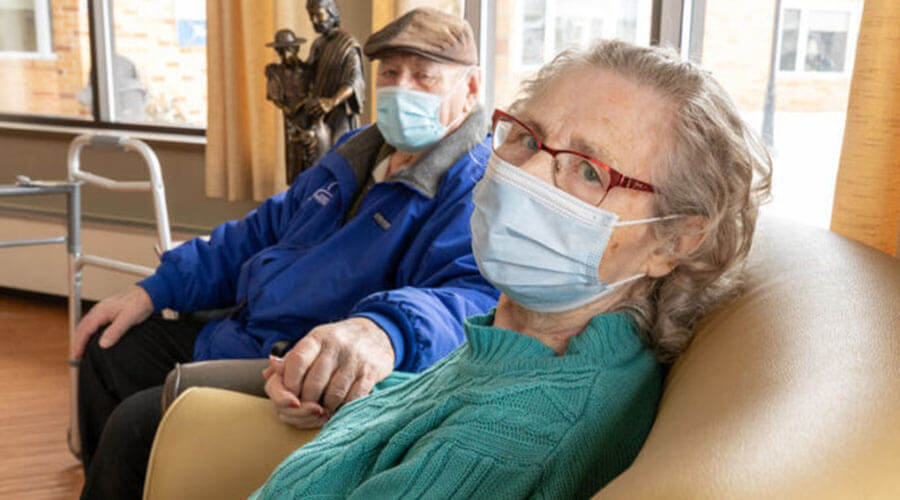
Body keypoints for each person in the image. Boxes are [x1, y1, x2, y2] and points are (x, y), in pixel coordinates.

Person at [251, 39, 773, 498]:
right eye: (526, 137)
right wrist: (353, 408)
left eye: (590, 171)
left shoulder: (508, 442)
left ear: (675, 239)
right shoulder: (527, 343)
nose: (527, 175)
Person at [77, 8, 496, 500]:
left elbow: (472, 299)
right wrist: (153, 289)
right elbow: (256, 234)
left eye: (423, 76)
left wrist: (385, 330)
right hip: (244, 331)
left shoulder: (474, 187)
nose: (400, 89)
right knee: (108, 348)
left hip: (299, 369)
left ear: (470, 89)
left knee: (139, 426)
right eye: (390, 73)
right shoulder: (357, 151)